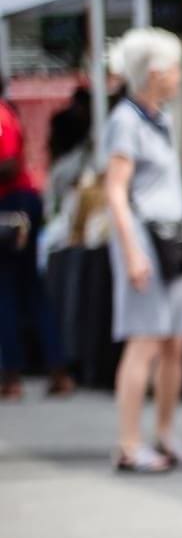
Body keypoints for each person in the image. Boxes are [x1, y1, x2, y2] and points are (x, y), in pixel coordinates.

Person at [103, 27, 182, 472]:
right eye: (174, 68)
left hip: (171, 238)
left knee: (174, 342)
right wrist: (131, 251)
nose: (179, 76)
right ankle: (129, 443)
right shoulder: (125, 121)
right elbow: (115, 190)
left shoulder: (160, 117)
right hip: (146, 240)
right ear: (154, 73)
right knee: (144, 341)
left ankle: (165, 434)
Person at [0, 88, 67, 399]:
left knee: (9, 290)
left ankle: (14, 375)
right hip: (19, 202)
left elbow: (9, 163)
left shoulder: (2, 116)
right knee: (27, 289)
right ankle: (55, 368)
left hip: (15, 205)